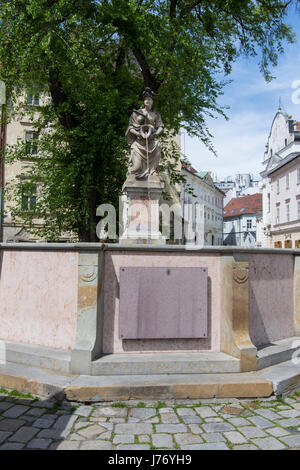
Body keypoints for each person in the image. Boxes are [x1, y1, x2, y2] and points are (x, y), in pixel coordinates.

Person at [125, 88, 164, 179]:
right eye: (146, 99)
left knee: (158, 144)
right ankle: (132, 173)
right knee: (137, 167)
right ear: (143, 101)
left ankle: (153, 170)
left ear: (152, 101)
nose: (147, 101)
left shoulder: (156, 114)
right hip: (139, 143)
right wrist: (138, 134)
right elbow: (130, 127)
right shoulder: (137, 113)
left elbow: (160, 126)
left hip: (151, 142)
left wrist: (155, 134)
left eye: (149, 99)